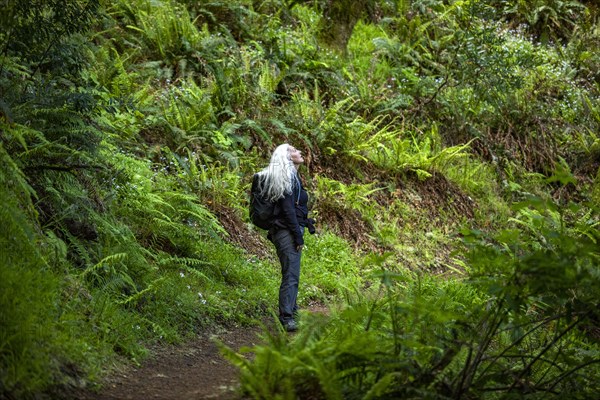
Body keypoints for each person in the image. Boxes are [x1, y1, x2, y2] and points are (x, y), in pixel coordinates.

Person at [255, 143, 315, 332]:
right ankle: (287, 317)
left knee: (291, 272)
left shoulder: (292, 177)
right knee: (291, 274)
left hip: (286, 230)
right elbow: (288, 210)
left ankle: (292, 311)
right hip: (287, 232)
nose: (299, 152)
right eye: (294, 150)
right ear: (287, 157)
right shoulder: (287, 178)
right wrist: (298, 237)